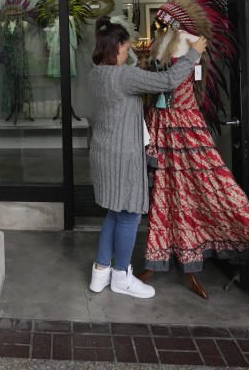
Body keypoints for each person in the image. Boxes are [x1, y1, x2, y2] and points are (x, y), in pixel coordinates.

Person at [87, 16, 206, 298]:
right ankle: (121, 277)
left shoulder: (96, 73)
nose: (128, 53)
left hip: (103, 152)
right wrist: (194, 54)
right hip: (124, 155)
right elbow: (167, 81)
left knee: (115, 213)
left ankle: (100, 274)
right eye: (126, 49)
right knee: (129, 216)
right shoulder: (125, 77)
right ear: (115, 48)